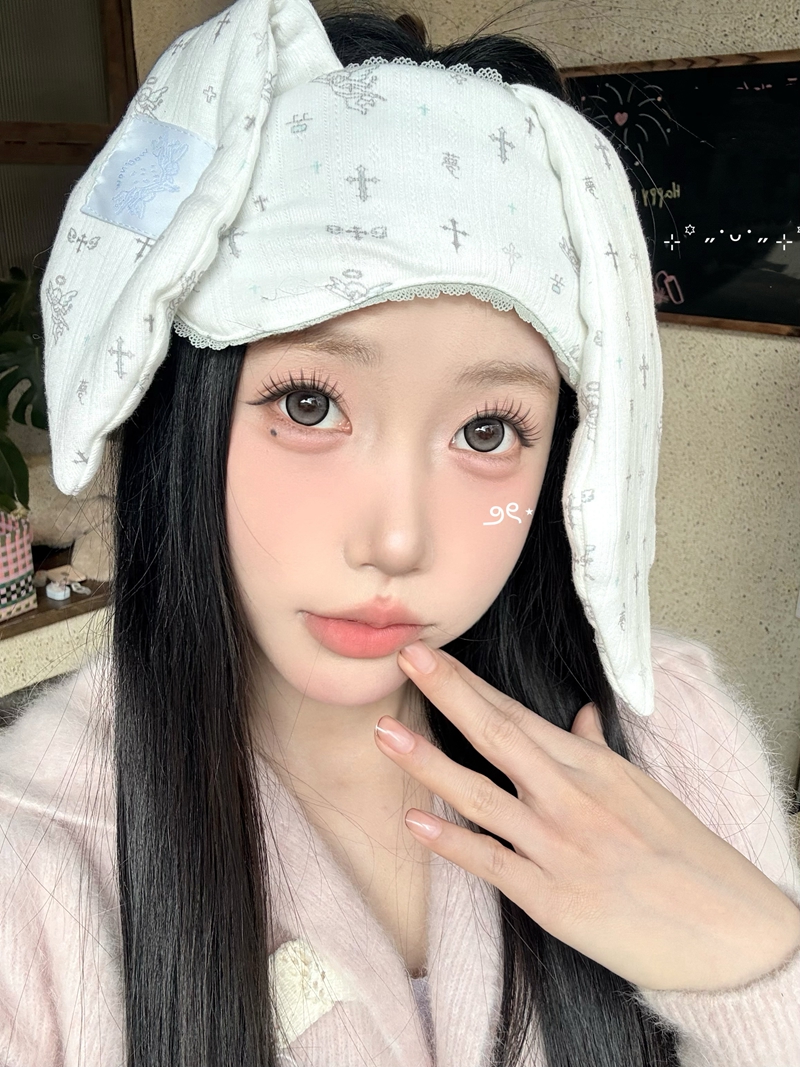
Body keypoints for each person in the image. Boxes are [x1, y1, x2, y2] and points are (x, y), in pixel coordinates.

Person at [1, 2, 799, 1066]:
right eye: (308, 405)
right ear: (184, 412)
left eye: (487, 430)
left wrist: (760, 971)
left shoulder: (666, 744)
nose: (396, 539)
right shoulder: (34, 869)